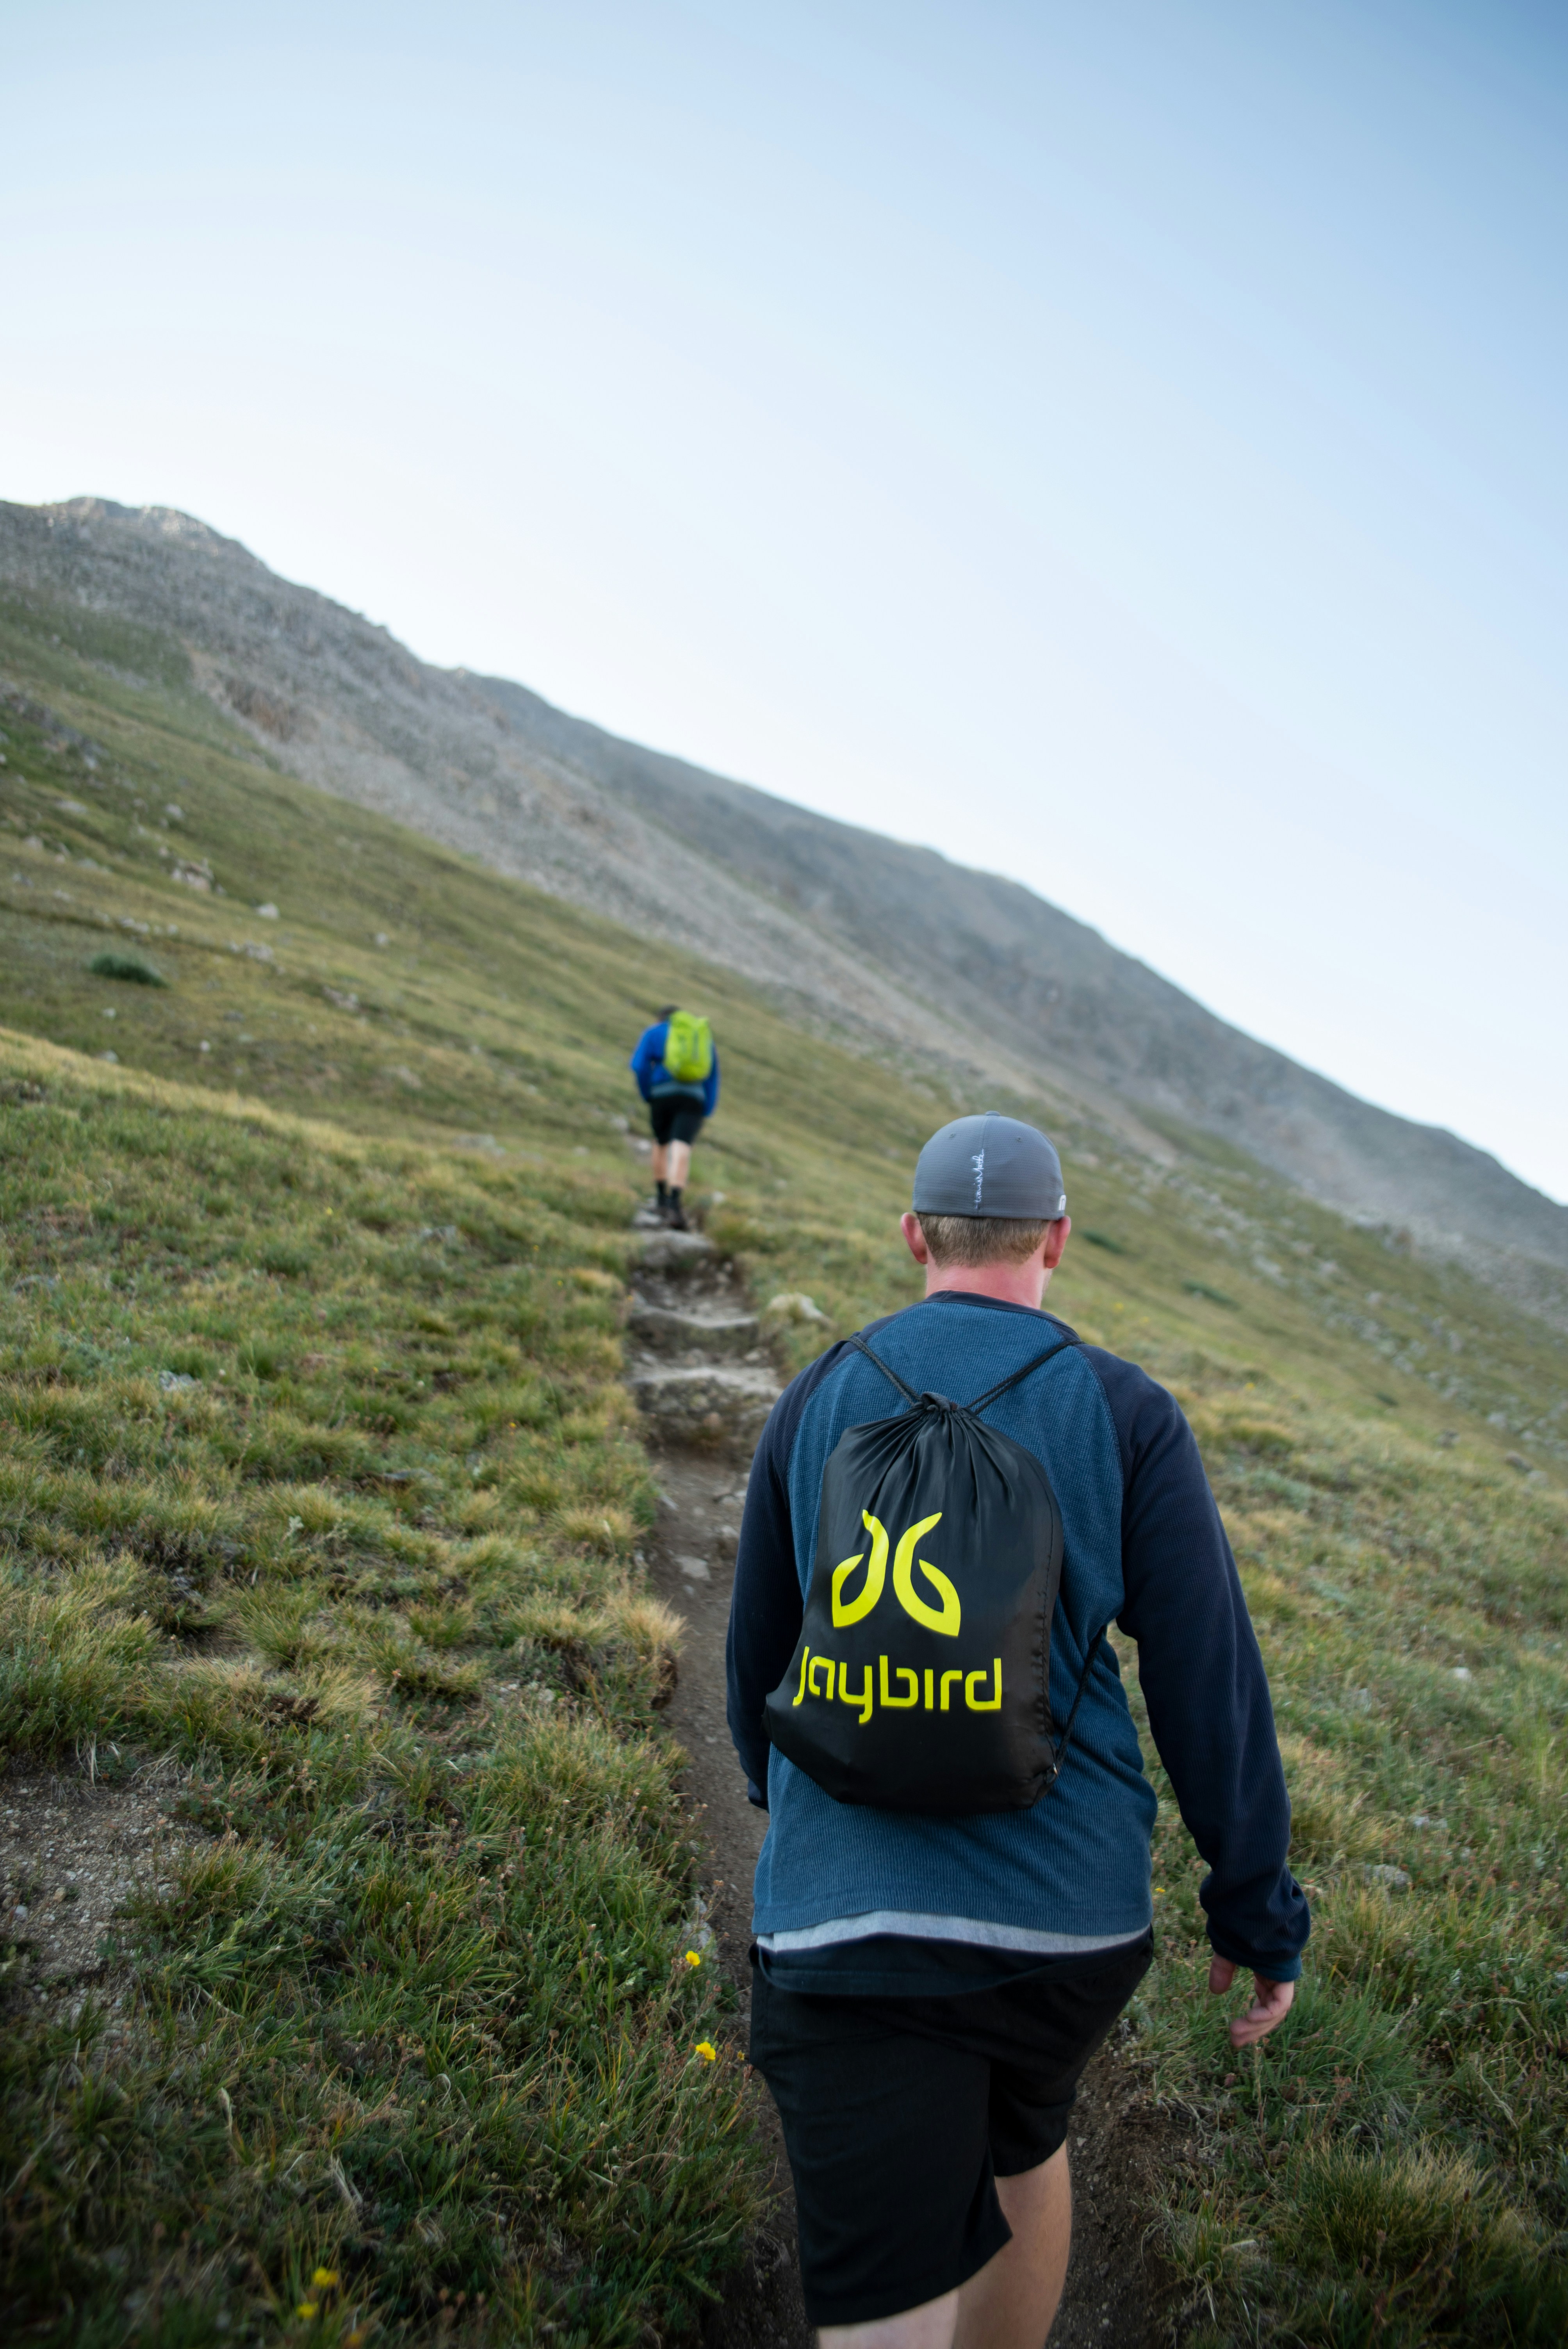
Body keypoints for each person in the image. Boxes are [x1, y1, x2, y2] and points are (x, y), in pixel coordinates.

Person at [726, 1112, 1308, 2349]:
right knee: (1026, 2136)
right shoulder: (1124, 1410)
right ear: (1057, 1241)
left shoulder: (818, 1393)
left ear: (911, 1236)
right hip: (1071, 1928)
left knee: (882, 2289)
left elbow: (755, 1666)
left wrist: (794, 1812)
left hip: (851, 1926)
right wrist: (1255, 1907)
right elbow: (1211, 1683)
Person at [629, 1005, 720, 1230]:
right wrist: (706, 1108)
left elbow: (639, 1066)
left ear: (661, 1018)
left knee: (661, 1144)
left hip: (662, 1094)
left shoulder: (654, 1032)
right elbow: (713, 1076)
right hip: (693, 1097)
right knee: (682, 1147)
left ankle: (661, 1198)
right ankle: (675, 1202)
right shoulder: (700, 1036)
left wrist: (648, 1093)